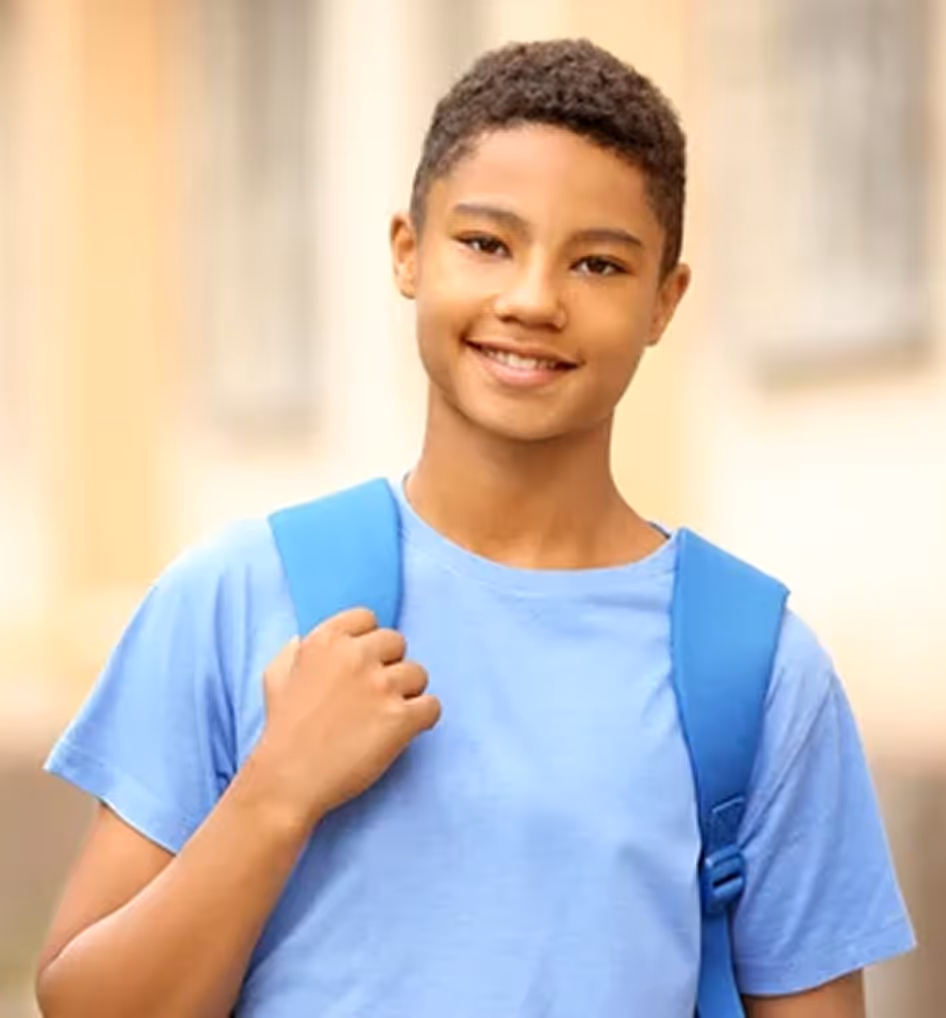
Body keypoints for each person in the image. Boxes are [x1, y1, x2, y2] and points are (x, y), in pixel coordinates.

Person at [35, 38, 913, 1018]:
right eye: (486, 243)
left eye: (597, 263)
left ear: (665, 300)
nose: (532, 299)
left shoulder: (755, 666)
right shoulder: (241, 594)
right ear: (408, 251)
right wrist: (275, 791)